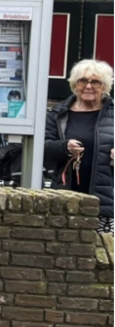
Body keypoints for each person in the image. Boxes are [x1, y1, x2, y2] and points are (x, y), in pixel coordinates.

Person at [45, 59, 114, 228]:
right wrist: (64, 147)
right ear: (75, 84)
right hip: (66, 198)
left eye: (95, 82)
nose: (88, 86)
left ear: (104, 86)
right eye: (83, 81)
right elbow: (43, 149)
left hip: (105, 201)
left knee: (103, 251)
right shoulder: (58, 114)